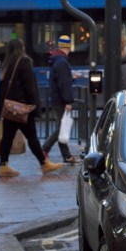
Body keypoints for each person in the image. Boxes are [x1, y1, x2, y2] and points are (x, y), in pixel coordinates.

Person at [0, 39, 62, 177]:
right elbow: (30, 86)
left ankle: (3, 166)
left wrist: (1, 109)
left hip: (10, 108)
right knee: (32, 136)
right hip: (23, 107)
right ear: (22, 48)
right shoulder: (24, 61)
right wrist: (34, 105)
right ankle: (44, 164)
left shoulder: (6, 64)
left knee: (7, 137)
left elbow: (2, 89)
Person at [41, 34, 77, 164]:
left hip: (56, 98)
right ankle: (44, 149)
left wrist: (72, 78)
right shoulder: (62, 62)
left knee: (61, 127)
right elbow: (63, 83)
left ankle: (66, 156)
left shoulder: (57, 60)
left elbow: (61, 80)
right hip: (60, 100)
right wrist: (68, 101)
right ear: (69, 46)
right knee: (61, 128)